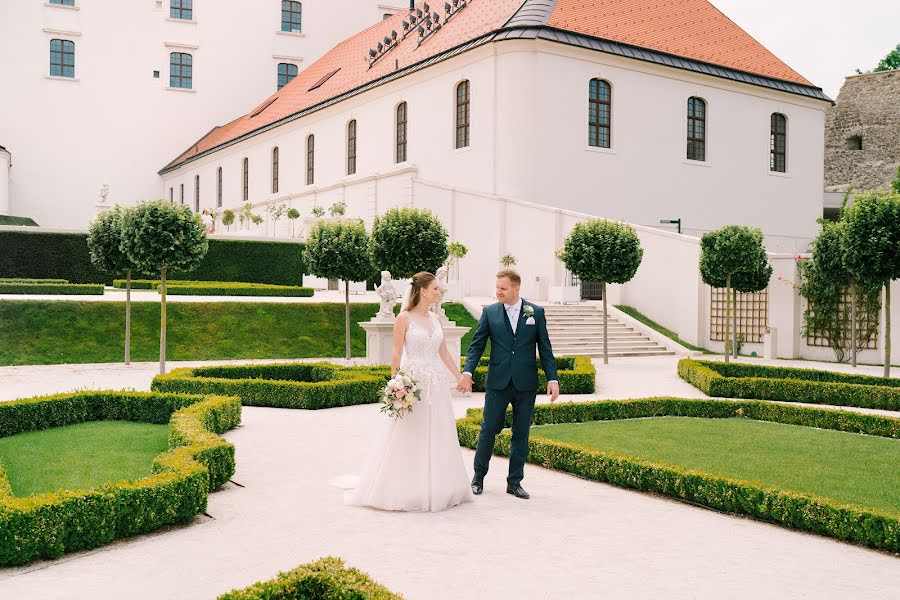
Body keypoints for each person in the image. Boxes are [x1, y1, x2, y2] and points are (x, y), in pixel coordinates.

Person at [333, 272, 473, 512]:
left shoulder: (436, 319)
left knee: (438, 432)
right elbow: (396, 353)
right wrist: (397, 385)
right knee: (409, 434)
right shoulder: (404, 319)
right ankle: (404, 487)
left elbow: (444, 353)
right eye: (436, 289)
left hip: (436, 386)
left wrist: (459, 376)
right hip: (412, 382)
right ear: (423, 291)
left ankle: (437, 487)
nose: (439, 292)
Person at [457, 269, 559, 500]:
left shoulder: (536, 312)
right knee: (487, 430)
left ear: (516, 289)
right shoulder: (490, 312)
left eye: (503, 288)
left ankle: (514, 482)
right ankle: (478, 478)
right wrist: (467, 371)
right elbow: (476, 346)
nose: (498, 292)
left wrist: (552, 378)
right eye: (497, 288)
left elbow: (545, 348)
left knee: (521, 434)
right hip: (498, 382)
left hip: (526, 383)